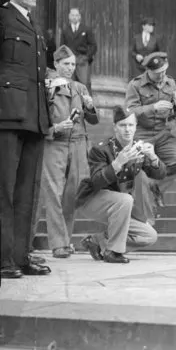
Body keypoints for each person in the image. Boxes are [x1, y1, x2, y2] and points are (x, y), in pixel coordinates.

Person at [0, 0, 52, 279]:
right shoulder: (3, 15)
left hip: (34, 116)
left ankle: (20, 256)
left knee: (27, 193)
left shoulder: (33, 24)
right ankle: (3, 257)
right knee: (3, 190)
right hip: (6, 114)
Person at [77, 106, 164, 264]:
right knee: (125, 200)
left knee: (149, 236)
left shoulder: (138, 148)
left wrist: (153, 158)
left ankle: (96, 241)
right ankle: (113, 252)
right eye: (123, 125)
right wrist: (117, 164)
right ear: (115, 127)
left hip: (121, 206)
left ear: (136, 126)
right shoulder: (101, 149)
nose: (127, 130)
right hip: (92, 201)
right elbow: (95, 181)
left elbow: (159, 174)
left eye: (131, 125)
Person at [39, 45, 99, 259]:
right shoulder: (47, 86)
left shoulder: (80, 87)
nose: (70, 68)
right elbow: (38, 117)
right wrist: (54, 128)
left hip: (78, 143)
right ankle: (59, 244)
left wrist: (90, 107)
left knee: (73, 194)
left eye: (73, 64)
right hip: (55, 142)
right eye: (66, 64)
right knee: (53, 193)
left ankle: (65, 240)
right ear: (55, 64)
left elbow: (92, 120)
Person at [125, 52, 176, 207]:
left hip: (163, 133)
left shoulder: (170, 83)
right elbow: (129, 111)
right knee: (136, 168)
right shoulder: (135, 85)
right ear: (148, 71)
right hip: (141, 133)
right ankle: (140, 201)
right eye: (158, 73)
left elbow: (175, 108)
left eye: (164, 71)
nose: (162, 76)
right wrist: (153, 107)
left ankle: (156, 186)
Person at [60, 7, 97, 92]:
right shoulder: (65, 30)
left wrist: (87, 57)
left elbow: (93, 45)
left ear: (79, 17)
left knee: (84, 84)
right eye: (72, 15)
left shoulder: (86, 29)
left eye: (76, 15)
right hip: (69, 60)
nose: (74, 17)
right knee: (69, 83)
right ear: (69, 16)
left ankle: (87, 104)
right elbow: (62, 46)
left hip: (82, 60)